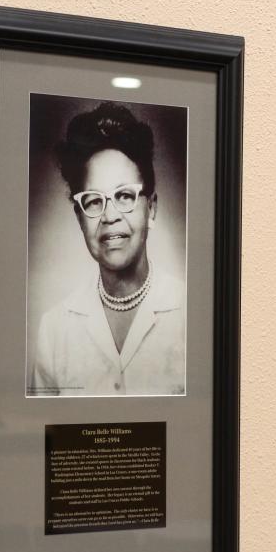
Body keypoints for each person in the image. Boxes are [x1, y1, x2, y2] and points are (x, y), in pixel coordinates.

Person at [30, 102, 184, 396]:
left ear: (150, 209)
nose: (109, 215)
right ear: (79, 218)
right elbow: (44, 437)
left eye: (124, 196)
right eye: (93, 200)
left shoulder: (191, 314)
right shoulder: (55, 329)